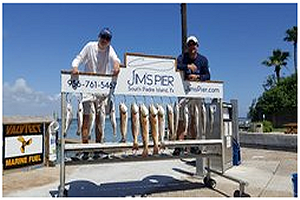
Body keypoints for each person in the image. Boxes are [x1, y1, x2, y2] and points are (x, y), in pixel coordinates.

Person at [71, 27, 120, 159]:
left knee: (100, 119)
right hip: (88, 89)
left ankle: (98, 148)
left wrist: (116, 66)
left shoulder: (110, 49)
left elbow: (116, 59)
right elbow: (78, 58)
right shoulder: (90, 46)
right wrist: (75, 67)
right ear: (99, 36)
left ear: (110, 41)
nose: (105, 40)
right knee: (86, 119)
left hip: (102, 90)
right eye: (103, 37)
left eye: (108, 38)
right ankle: (85, 148)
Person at [173, 35, 210, 156]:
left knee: (194, 118)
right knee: (181, 119)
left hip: (197, 93)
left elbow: (207, 75)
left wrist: (197, 77)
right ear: (187, 46)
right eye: (189, 44)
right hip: (183, 92)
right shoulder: (182, 57)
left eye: (193, 44)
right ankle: (179, 145)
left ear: (197, 46)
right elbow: (174, 65)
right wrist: (187, 66)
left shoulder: (203, 60)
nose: (192, 47)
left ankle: (194, 145)